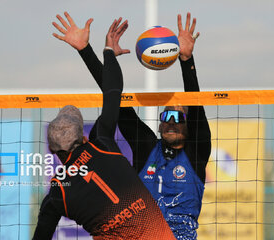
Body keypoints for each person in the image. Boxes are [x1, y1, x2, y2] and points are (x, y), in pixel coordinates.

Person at [62, 11, 211, 239]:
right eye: (166, 117)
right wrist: (86, 51)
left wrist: (186, 61)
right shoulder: (148, 148)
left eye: (178, 117)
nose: (171, 122)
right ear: (159, 125)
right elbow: (117, 103)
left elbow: (196, 104)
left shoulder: (196, 153)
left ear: (188, 125)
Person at [32, 12, 176, 240]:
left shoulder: (58, 193)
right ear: (84, 137)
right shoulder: (103, 143)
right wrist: (106, 52)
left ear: (52, 151)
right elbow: (113, 91)